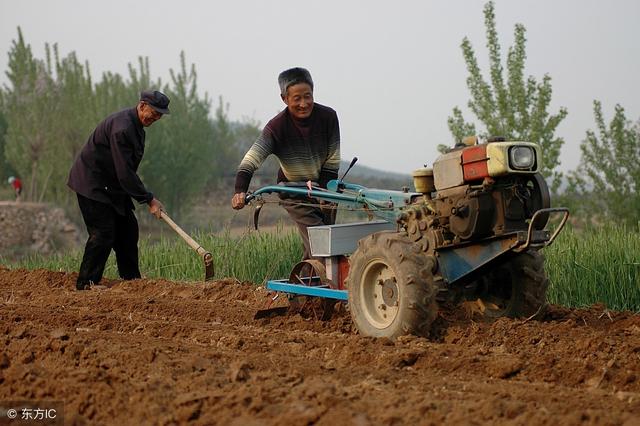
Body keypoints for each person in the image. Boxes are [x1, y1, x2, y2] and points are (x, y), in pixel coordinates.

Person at [231, 67, 340, 260]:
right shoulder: (277, 127)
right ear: (284, 98)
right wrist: (240, 190)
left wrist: (325, 192)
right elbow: (251, 159)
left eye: (308, 96)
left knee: (322, 244)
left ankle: (306, 286)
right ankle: (316, 287)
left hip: (324, 189)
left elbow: (332, 159)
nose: (304, 103)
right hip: (294, 192)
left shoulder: (328, 117)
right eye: (297, 98)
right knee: (322, 242)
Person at [67, 90, 169, 290]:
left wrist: (143, 196)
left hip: (112, 187)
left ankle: (131, 281)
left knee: (128, 230)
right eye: (154, 112)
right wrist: (149, 199)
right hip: (93, 184)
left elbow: (125, 171)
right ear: (141, 106)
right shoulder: (122, 128)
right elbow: (125, 173)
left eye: (159, 115)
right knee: (103, 233)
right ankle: (86, 283)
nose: (156, 118)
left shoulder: (137, 126)